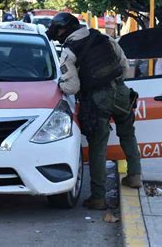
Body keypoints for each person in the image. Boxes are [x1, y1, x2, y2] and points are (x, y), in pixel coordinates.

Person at [46, 12, 142, 210]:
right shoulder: (104, 38)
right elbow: (124, 66)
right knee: (128, 133)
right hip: (122, 92)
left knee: (98, 146)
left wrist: (60, 85)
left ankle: (98, 198)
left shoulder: (68, 51)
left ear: (63, 31)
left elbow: (71, 87)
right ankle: (135, 176)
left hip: (97, 99)